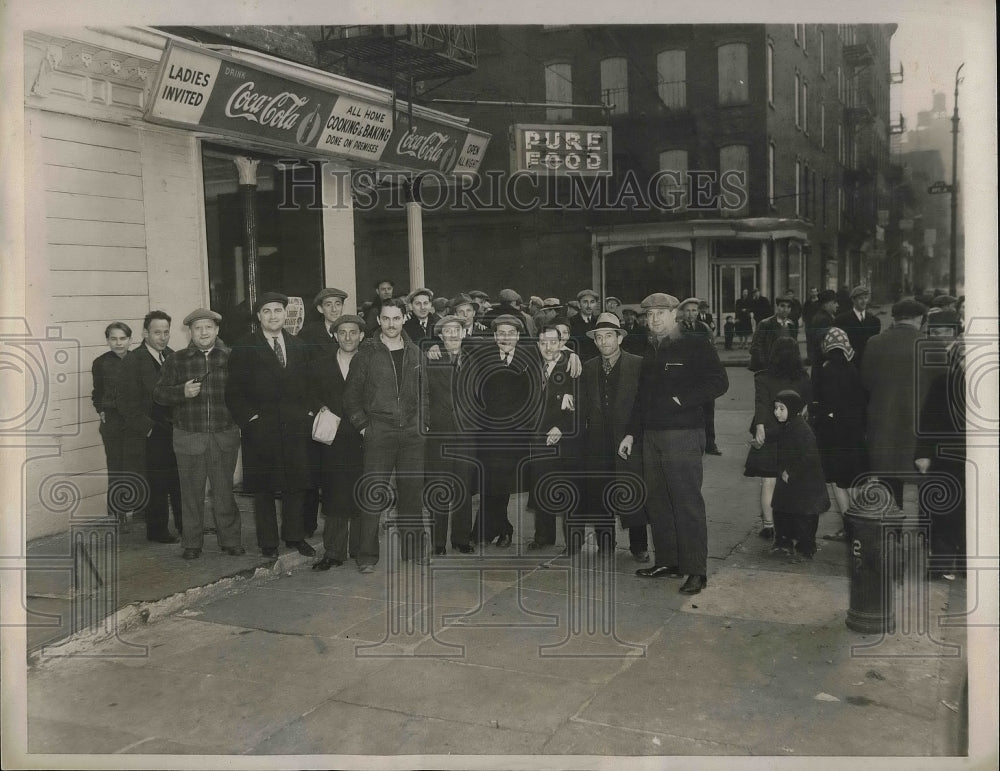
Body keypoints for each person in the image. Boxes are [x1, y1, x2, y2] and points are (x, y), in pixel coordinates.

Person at [624, 293, 728, 595]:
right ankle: (668, 561)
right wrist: (631, 433)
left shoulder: (695, 343)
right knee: (657, 501)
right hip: (651, 435)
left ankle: (696, 570)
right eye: (649, 314)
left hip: (682, 433)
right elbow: (641, 397)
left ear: (674, 314)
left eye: (660, 313)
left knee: (686, 502)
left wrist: (682, 400)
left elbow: (719, 382)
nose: (653, 319)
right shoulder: (650, 347)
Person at [226, 293, 320, 559]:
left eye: (277, 310)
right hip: (261, 428)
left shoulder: (299, 346)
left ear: (285, 314)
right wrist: (251, 419)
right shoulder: (245, 347)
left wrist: (309, 413)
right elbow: (234, 392)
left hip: (294, 427)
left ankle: (294, 536)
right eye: (266, 311)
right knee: (264, 488)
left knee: (296, 484)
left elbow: (310, 385)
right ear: (258, 316)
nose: (272, 316)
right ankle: (268, 542)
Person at [344, 298, 427, 572]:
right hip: (379, 432)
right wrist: (364, 426)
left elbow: (424, 393)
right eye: (386, 318)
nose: (391, 323)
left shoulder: (416, 352)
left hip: (412, 435)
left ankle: (414, 550)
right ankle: (366, 556)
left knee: (412, 494)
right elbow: (351, 398)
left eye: (396, 318)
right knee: (373, 494)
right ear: (378, 321)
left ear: (404, 318)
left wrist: (422, 425)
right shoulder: (366, 354)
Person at [154, 308, 243, 559]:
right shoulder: (176, 360)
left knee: (224, 491)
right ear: (190, 332)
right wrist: (181, 391)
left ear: (217, 330)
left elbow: (245, 393)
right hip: (189, 436)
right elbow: (159, 394)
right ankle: (192, 543)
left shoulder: (232, 357)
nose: (203, 332)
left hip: (223, 435)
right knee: (190, 493)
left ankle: (231, 540)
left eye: (208, 327)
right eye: (197, 328)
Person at [457, 314, 536, 547]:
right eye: (501, 333)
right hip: (487, 432)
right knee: (490, 482)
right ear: (493, 336)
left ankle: (491, 530)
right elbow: (457, 340)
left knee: (499, 483)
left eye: (511, 333)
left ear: (519, 336)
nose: (506, 337)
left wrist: (572, 356)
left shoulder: (529, 359)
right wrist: (433, 348)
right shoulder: (484, 357)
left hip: (515, 435)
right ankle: (498, 529)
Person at [578, 313, 649, 561]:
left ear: (619, 338)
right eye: (599, 337)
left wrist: (632, 434)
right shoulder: (588, 367)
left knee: (632, 491)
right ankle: (604, 543)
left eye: (609, 336)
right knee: (600, 491)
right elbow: (585, 405)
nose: (604, 341)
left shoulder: (637, 363)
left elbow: (643, 405)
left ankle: (639, 546)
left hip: (628, 439)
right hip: (597, 441)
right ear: (595, 341)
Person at [116, 311, 182, 543]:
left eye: (166, 332)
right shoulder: (133, 360)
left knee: (179, 480)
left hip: (176, 429)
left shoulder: (173, 356)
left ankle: (186, 527)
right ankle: (157, 531)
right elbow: (124, 403)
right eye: (157, 332)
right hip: (152, 433)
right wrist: (149, 428)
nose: (162, 337)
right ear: (145, 333)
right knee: (157, 483)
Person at [309, 314, 366, 570]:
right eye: (342, 332)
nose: (347, 337)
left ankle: (360, 549)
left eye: (353, 332)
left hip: (363, 437)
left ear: (361, 335)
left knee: (362, 492)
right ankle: (333, 552)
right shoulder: (321, 364)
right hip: (332, 439)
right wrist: (320, 408)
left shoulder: (371, 363)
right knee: (334, 493)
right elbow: (307, 392)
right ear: (335, 335)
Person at [860, 298, 929, 508]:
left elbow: (865, 382)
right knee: (927, 482)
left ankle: (893, 529)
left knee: (889, 478)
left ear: (895, 317)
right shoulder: (931, 345)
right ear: (919, 318)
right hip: (920, 426)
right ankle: (928, 534)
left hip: (884, 424)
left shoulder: (874, 343)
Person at [743, 337, 812, 540]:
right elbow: (807, 406)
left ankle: (768, 525)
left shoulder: (763, 377)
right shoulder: (803, 377)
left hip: (770, 432)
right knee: (793, 481)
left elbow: (762, 404)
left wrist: (760, 427)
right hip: (794, 433)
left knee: (768, 482)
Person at [296, 286, 350, 537]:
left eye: (337, 304)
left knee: (337, 471)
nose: (333, 309)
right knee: (312, 470)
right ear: (319, 308)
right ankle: (307, 525)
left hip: (346, 413)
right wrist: (316, 406)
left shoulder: (350, 332)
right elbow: (302, 377)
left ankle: (337, 521)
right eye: (328, 304)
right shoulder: (308, 335)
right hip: (319, 412)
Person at [423, 315, 477, 556]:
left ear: (464, 333)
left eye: (457, 330)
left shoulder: (475, 361)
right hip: (439, 434)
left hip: (466, 435)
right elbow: (422, 394)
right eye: (447, 331)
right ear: (441, 336)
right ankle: (438, 542)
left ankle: (461, 538)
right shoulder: (430, 358)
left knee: (463, 488)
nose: (453, 334)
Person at [914, 339, 967, 580]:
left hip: (979, 460)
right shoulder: (943, 383)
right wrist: (923, 453)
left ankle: (968, 564)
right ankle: (942, 565)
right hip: (947, 457)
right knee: (945, 511)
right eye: (964, 357)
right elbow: (928, 421)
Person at [525, 325, 580, 552]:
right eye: (543, 342)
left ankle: (573, 541)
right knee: (541, 485)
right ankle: (543, 537)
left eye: (552, 342)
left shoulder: (572, 367)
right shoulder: (532, 367)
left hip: (565, 438)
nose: (548, 347)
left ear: (561, 343)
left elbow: (580, 405)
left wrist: (562, 427)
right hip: (539, 438)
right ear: (538, 344)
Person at [813, 328, 869, 541]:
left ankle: (850, 527)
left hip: (834, 434)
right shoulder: (854, 369)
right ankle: (859, 527)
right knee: (854, 481)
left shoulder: (826, 370)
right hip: (854, 433)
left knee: (837, 482)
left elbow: (823, 401)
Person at [770, 390, 830, 560]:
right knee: (782, 510)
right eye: (776, 408)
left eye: (781, 409)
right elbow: (775, 434)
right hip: (790, 480)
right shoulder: (788, 425)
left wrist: (792, 471)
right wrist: (762, 435)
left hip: (806, 483)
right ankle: (783, 541)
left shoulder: (802, 430)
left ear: (793, 409)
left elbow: (809, 457)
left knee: (805, 517)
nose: (777, 412)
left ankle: (806, 547)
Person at [91, 321, 132, 528]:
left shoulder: (138, 360)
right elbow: (97, 392)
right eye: (113, 339)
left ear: (130, 339)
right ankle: (118, 513)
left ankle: (141, 509)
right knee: (117, 467)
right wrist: (101, 410)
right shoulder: (101, 363)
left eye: (123, 338)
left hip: (135, 421)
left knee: (137, 466)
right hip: (113, 421)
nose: (118, 343)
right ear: (107, 340)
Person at [678, 297, 721, 456]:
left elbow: (713, 350)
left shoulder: (704, 328)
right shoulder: (678, 330)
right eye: (688, 311)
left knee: (708, 411)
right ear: (682, 312)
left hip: (704, 377)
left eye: (694, 310)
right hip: (687, 379)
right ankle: (690, 445)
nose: (691, 314)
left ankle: (710, 444)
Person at [832, 285, 881, 366]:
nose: (864, 301)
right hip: (849, 365)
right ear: (853, 300)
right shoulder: (841, 320)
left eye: (865, 298)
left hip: (868, 364)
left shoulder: (874, 321)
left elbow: (875, 345)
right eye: (860, 298)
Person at [748, 295, 798, 373]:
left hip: (787, 366)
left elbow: (795, 346)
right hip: (770, 366)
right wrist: (765, 365)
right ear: (777, 307)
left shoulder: (791, 324)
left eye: (788, 307)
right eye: (782, 306)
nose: (785, 310)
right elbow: (756, 346)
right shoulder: (766, 324)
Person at [806, 289, 839, 371]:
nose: (837, 305)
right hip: (823, 364)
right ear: (826, 304)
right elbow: (824, 345)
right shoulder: (824, 319)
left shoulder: (823, 316)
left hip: (819, 362)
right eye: (834, 302)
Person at [569, 289, 601, 360]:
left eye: (592, 302)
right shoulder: (571, 322)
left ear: (596, 304)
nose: (589, 306)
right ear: (579, 304)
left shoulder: (599, 322)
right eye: (585, 302)